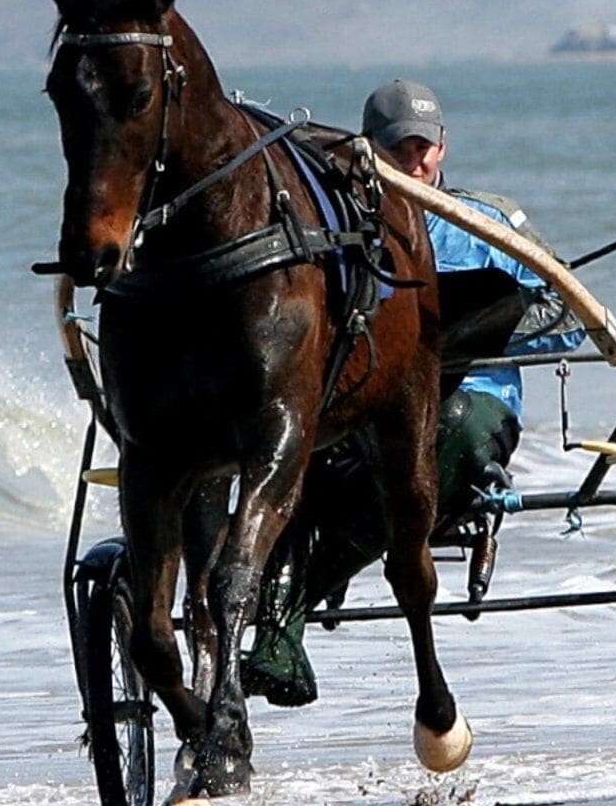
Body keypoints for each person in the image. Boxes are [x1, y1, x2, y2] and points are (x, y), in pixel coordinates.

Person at [241, 78, 574, 707]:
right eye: (398, 150)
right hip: (363, 407)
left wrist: (478, 324)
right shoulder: (338, 227)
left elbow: (567, 313)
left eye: (423, 149)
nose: (414, 163)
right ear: (368, 149)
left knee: (442, 427)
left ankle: (288, 606)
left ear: (443, 148)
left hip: (471, 402)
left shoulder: (492, 221)